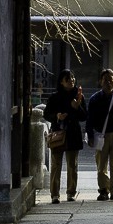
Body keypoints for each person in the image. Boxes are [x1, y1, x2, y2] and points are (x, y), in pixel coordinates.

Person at [85, 69, 113, 201]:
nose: (108, 83)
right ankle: (104, 190)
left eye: (111, 80)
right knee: (101, 164)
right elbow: (90, 119)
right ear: (100, 82)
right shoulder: (95, 99)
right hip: (100, 135)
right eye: (105, 80)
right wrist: (90, 136)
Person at [44, 70, 87, 203]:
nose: (71, 81)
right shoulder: (54, 96)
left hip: (73, 133)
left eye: (73, 78)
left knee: (72, 165)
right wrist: (56, 116)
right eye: (68, 79)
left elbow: (84, 116)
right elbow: (46, 114)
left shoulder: (79, 96)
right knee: (56, 164)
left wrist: (77, 107)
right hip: (58, 132)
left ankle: (71, 192)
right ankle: (55, 194)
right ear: (61, 81)